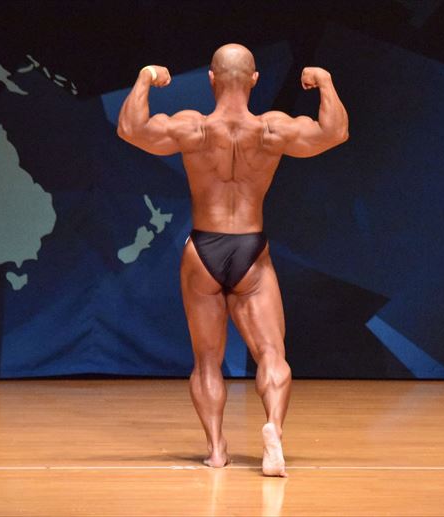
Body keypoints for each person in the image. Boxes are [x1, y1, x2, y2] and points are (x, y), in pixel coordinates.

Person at [116, 43, 348, 477]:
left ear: (211, 79)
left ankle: (216, 449)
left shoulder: (193, 128)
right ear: (255, 79)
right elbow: (333, 133)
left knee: (207, 361)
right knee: (272, 353)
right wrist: (326, 82)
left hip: (203, 249)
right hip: (250, 250)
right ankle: (273, 429)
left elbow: (131, 129)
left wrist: (145, 77)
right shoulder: (272, 130)